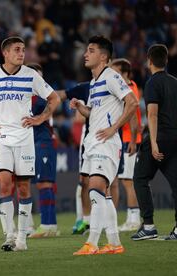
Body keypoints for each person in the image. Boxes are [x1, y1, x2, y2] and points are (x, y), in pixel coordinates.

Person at [0, 36, 60, 251]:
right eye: (17, 50)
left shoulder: (31, 75)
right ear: (5, 53)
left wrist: (41, 118)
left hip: (25, 138)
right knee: (5, 184)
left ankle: (22, 240)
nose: (21, 53)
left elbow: (54, 98)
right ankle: (9, 235)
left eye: (23, 50)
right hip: (0, 138)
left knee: (24, 188)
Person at [70, 36, 137, 255]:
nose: (85, 54)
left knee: (96, 189)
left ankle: (92, 242)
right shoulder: (94, 82)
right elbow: (93, 114)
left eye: (90, 50)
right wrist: (80, 107)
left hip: (106, 143)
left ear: (103, 56)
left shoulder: (111, 76)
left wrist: (114, 127)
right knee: (103, 194)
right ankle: (115, 243)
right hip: (92, 143)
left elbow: (132, 102)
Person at [132, 44, 177, 241]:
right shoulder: (175, 82)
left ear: (149, 60)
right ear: (166, 60)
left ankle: (148, 226)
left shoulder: (152, 83)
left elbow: (153, 114)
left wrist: (154, 143)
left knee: (140, 178)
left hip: (161, 137)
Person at [25, 63, 59, 238]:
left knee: (44, 183)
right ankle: (46, 225)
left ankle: (47, 224)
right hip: (33, 142)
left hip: (43, 142)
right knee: (35, 183)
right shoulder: (32, 97)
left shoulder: (41, 98)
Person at [110, 58, 142, 232]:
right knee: (126, 180)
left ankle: (134, 219)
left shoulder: (128, 90)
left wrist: (133, 140)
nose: (114, 76)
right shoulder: (132, 86)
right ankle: (132, 218)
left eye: (117, 72)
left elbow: (134, 117)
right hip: (128, 138)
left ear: (125, 74)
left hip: (130, 140)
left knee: (128, 181)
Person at [58, 83, 92, 235]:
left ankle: (90, 220)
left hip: (99, 138)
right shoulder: (86, 89)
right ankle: (83, 220)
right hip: (88, 141)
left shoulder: (106, 87)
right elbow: (78, 120)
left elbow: (78, 119)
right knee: (83, 183)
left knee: (101, 184)